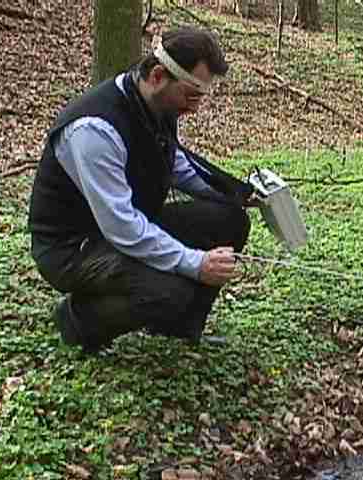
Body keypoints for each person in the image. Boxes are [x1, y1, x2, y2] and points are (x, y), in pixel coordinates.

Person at [28, 26, 255, 353]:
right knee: (173, 288)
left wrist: (237, 193)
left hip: (124, 223)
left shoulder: (158, 108)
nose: (194, 108)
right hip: (73, 247)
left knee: (230, 219)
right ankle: (80, 320)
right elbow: (122, 227)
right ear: (159, 75)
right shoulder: (95, 130)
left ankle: (178, 327)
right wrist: (195, 263)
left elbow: (175, 165)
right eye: (191, 95)